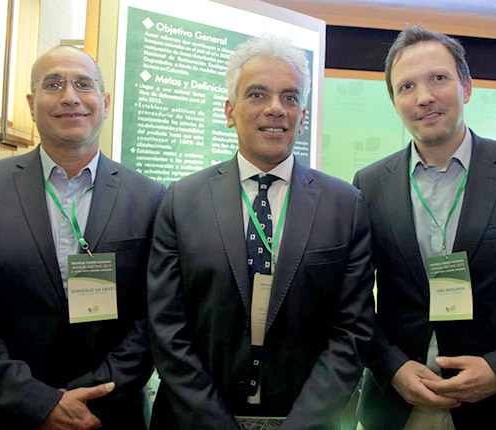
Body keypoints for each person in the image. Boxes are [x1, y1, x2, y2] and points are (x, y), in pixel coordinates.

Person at [353, 25, 496, 430]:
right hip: (395, 408)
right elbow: (350, 300)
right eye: (406, 86)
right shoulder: (369, 184)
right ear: (395, 101)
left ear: (467, 86)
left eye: (438, 79)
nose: (424, 97)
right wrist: (391, 367)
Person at [147, 35, 375, 430]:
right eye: (257, 95)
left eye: (290, 97)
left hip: (306, 420)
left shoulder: (346, 206)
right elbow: (166, 326)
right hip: (195, 421)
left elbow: (351, 332)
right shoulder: (181, 200)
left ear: (302, 115)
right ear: (230, 111)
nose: (276, 109)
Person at [0, 45, 165, 430]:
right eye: (53, 84)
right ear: (31, 102)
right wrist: (38, 404)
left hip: (107, 416)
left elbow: (155, 316)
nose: (69, 96)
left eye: (83, 84)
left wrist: (92, 398)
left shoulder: (151, 198)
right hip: (1, 416)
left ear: (105, 102)